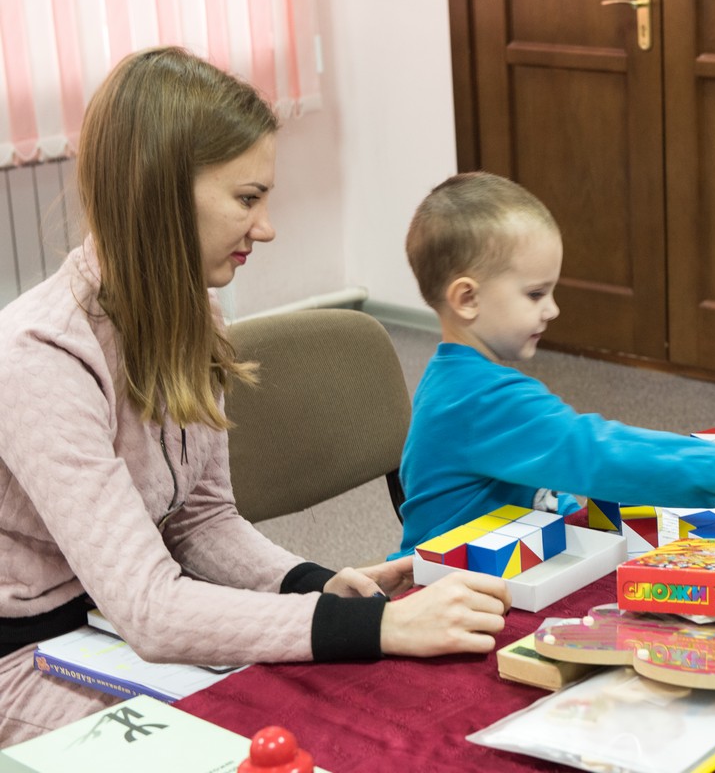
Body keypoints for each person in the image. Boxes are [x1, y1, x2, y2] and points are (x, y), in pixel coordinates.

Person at [0, 47, 510, 745]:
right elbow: (150, 608)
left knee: (348, 714)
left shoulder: (193, 313)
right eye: (247, 199)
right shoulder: (38, 356)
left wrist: (315, 585)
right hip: (28, 658)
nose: (266, 227)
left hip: (112, 626)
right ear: (160, 193)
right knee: (256, 743)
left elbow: (199, 521)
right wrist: (374, 624)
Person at [397, 172, 715, 556]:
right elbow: (598, 451)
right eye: (535, 294)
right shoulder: (480, 400)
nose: (552, 310)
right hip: (441, 591)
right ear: (467, 298)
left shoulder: (462, 381)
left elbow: (551, 483)